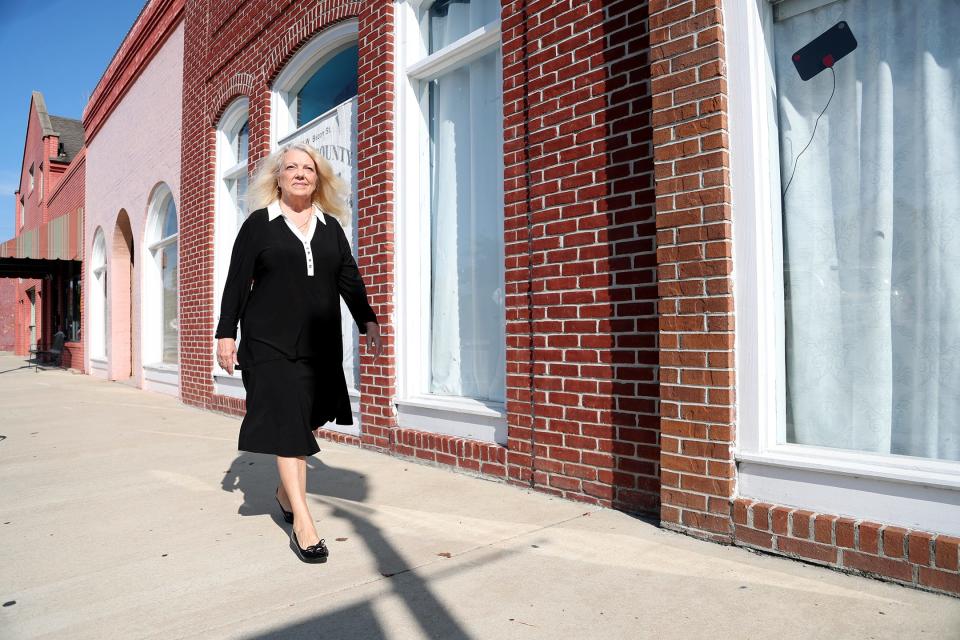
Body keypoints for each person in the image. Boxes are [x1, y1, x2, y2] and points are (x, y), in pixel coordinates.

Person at [215, 142, 382, 563]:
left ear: (318, 178)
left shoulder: (329, 227)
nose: (300, 173)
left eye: (308, 168)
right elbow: (237, 280)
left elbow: (349, 277)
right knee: (290, 426)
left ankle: (283, 492)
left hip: (317, 345)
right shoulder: (259, 224)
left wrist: (368, 319)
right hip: (267, 343)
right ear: (278, 176)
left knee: (305, 421)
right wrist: (225, 333)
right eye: (292, 167)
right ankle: (304, 524)